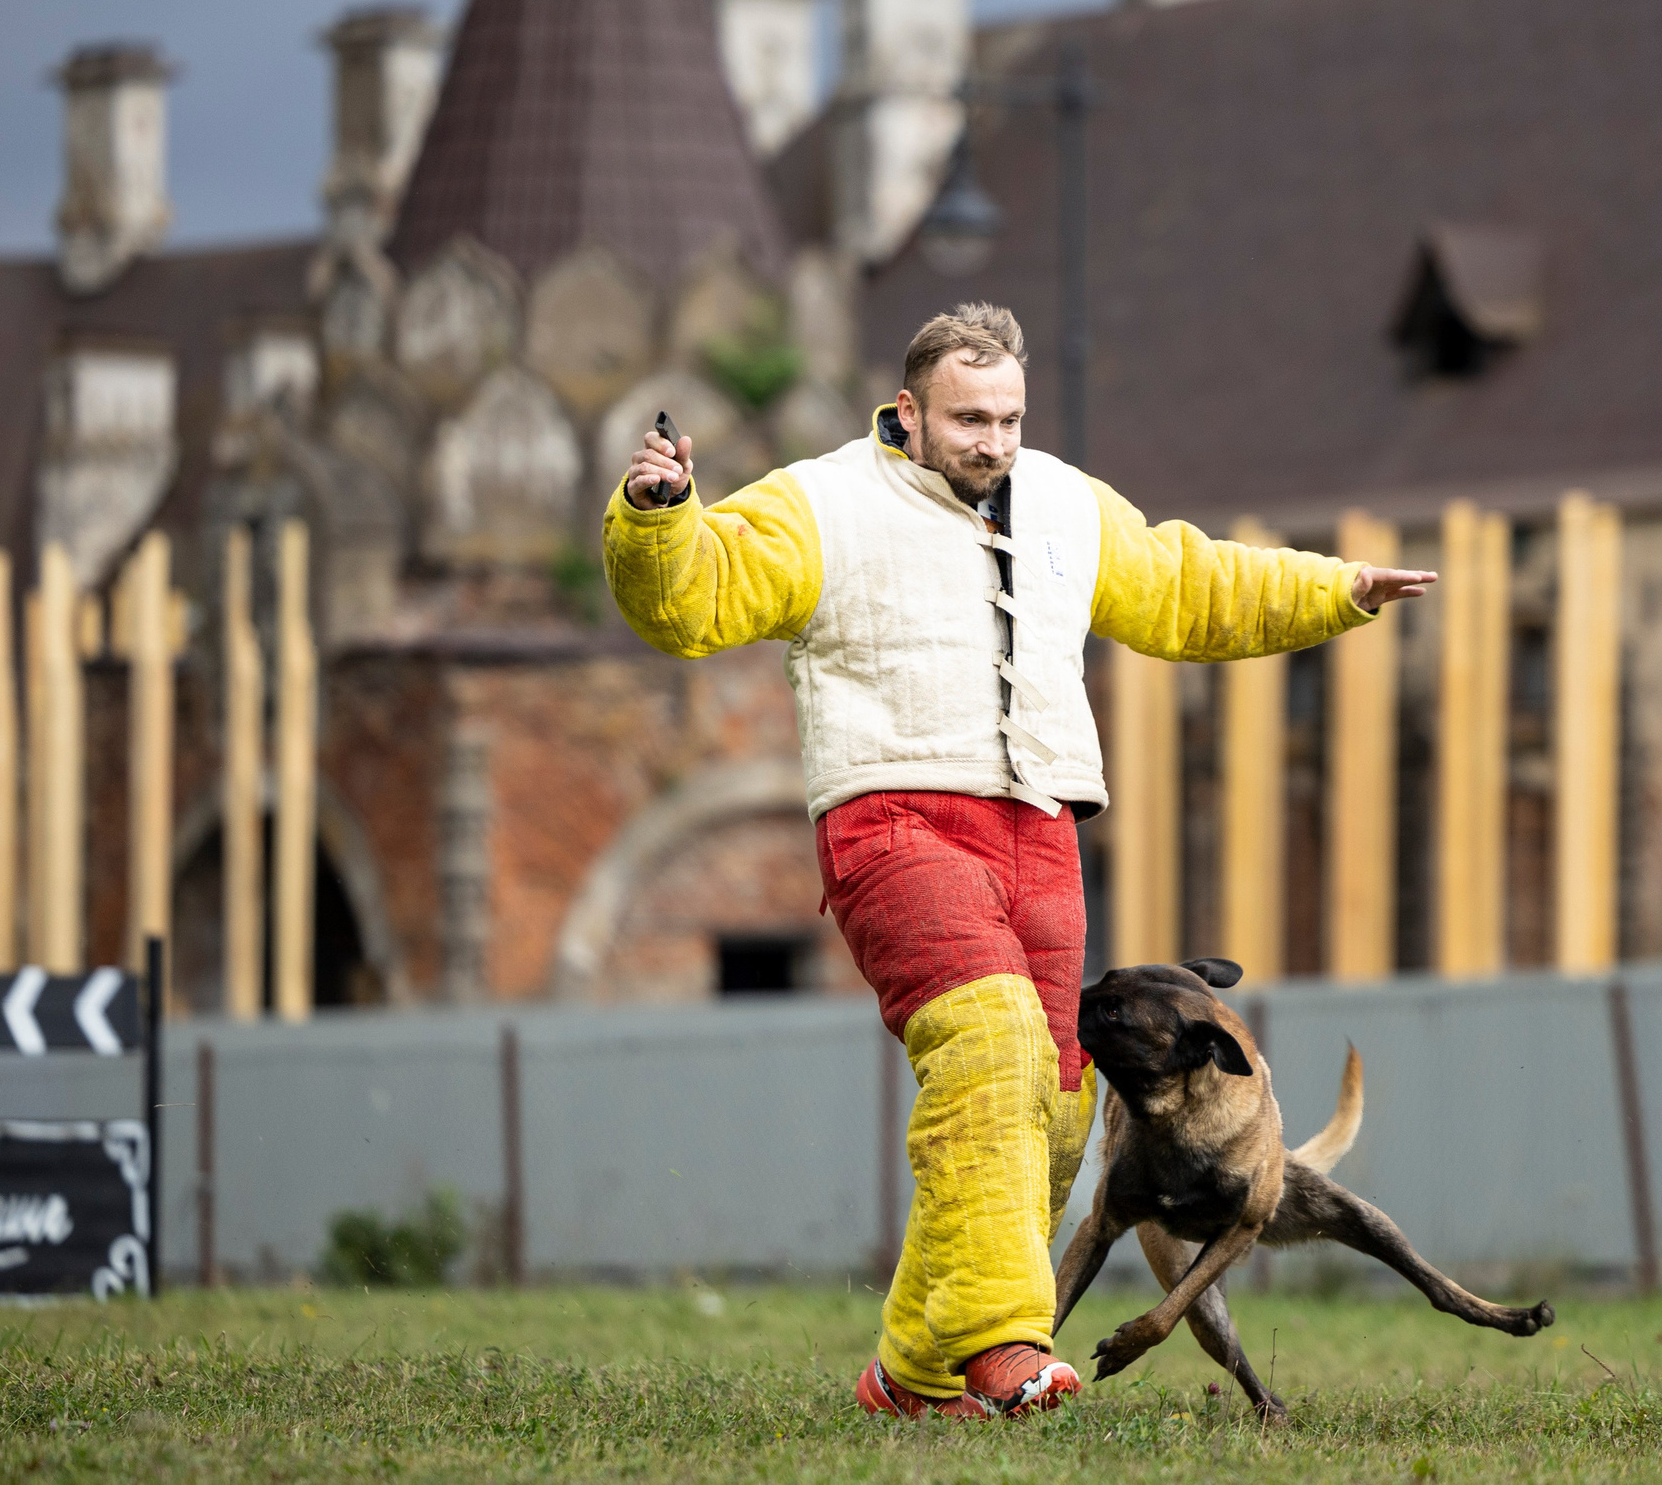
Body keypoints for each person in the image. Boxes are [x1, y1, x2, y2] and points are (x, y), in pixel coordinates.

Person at [603, 303, 1433, 1419]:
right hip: (891, 819)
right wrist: (657, 519)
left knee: (1046, 1104)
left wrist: (1334, 591)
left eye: (1007, 418)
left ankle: (911, 1374)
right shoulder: (824, 502)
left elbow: (1186, 587)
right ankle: (1001, 1344)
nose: (993, 441)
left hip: (1039, 830)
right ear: (908, 410)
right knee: (989, 1047)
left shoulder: (1064, 504)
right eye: (967, 419)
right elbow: (696, 597)